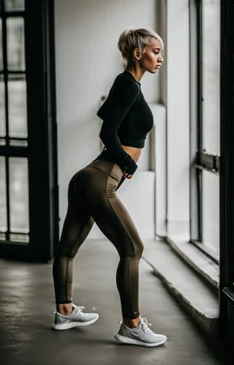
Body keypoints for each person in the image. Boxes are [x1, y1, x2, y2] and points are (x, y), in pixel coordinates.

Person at [52, 28, 167, 348]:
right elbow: (107, 130)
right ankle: (131, 324)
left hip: (87, 177)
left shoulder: (127, 86)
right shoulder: (128, 85)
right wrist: (128, 164)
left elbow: (107, 114)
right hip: (100, 178)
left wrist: (123, 157)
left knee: (66, 249)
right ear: (138, 53)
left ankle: (64, 311)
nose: (160, 58)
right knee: (133, 249)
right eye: (156, 51)